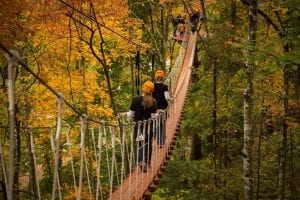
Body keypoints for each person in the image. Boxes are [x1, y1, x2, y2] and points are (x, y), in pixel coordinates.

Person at [127, 81, 157, 172]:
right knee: (148, 144)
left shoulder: (135, 99)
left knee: (140, 144)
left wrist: (127, 114)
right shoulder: (154, 102)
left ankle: (140, 160)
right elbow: (153, 117)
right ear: (152, 91)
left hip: (138, 128)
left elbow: (131, 115)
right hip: (148, 128)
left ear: (143, 88)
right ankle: (147, 163)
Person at [152, 70, 171, 147]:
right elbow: (167, 97)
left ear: (156, 77)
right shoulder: (165, 86)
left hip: (154, 108)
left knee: (156, 124)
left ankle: (157, 140)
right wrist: (171, 99)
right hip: (163, 108)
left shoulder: (152, 86)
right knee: (162, 124)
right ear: (163, 77)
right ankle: (161, 143)